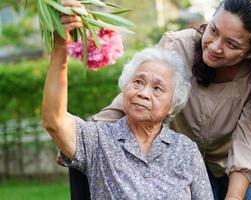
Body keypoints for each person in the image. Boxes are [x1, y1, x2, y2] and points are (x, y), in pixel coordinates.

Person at [91, 0, 251, 199]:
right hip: (178, 164)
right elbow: (137, 94)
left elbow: (248, 146)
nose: (215, 46)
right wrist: (87, 137)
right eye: (213, 30)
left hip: (230, 171)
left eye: (231, 43)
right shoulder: (177, 46)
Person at [42, 1, 214, 198]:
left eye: (157, 88)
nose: (143, 93)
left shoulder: (186, 151)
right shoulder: (99, 140)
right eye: (138, 82)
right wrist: (60, 45)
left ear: (171, 105)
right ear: (125, 88)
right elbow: (54, 122)